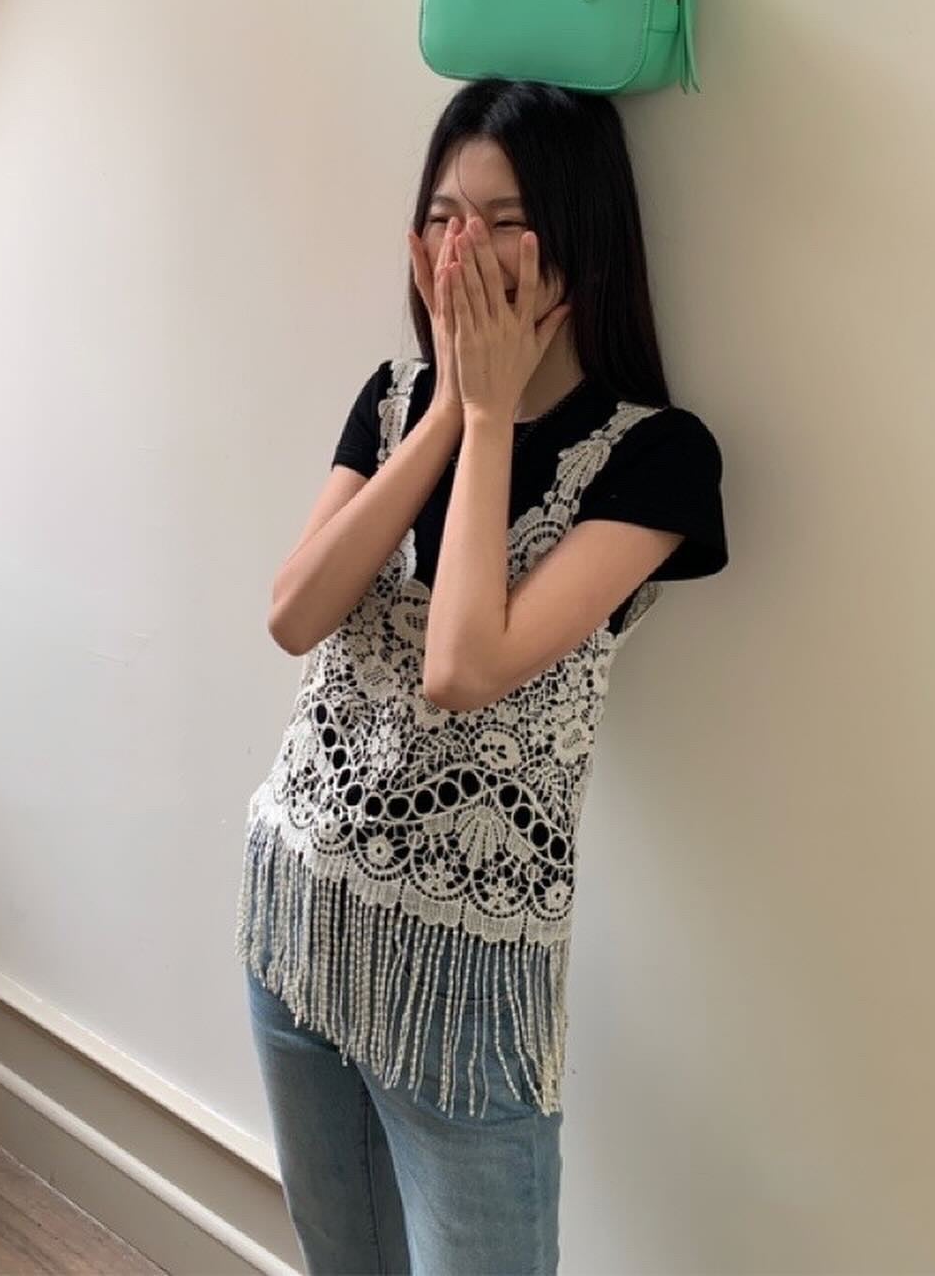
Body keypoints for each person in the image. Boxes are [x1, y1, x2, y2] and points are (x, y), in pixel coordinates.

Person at [235, 78, 729, 1275]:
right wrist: (449, 411)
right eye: (443, 216)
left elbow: (464, 664)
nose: (465, 248)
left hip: (462, 985)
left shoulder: (654, 457)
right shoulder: (391, 402)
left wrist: (493, 414)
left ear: (578, 245)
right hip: (297, 918)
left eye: (505, 221)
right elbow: (294, 613)